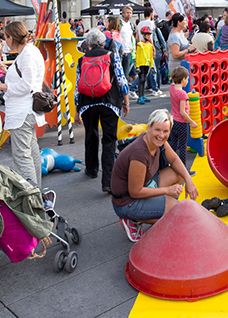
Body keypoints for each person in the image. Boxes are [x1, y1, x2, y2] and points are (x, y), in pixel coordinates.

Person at [110, 109, 198, 242]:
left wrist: (188, 180)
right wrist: (167, 190)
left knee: (179, 174)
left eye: (165, 131)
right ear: (149, 127)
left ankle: (158, 207)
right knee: (175, 211)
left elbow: (174, 160)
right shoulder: (139, 154)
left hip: (146, 184)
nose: (161, 135)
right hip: (126, 202)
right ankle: (132, 218)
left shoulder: (159, 141)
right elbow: (135, 192)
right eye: (157, 130)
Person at [0, 21, 45, 188]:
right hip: (26, 110)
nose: (4, 41)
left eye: (5, 37)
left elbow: (27, 86)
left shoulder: (27, 54)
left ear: (11, 37)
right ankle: (36, 195)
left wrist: (2, 86)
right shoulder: (29, 52)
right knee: (30, 153)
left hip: (22, 111)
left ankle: (32, 197)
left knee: (23, 156)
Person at [73, 28, 129, 193]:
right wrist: (125, 100)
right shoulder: (111, 55)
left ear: (88, 44)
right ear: (103, 42)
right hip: (109, 102)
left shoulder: (82, 59)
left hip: (87, 103)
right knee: (109, 140)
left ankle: (91, 169)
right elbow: (121, 78)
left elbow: (78, 87)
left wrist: (77, 109)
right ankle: (108, 181)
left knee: (91, 135)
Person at [168, 66, 198, 167]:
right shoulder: (183, 94)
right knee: (182, 147)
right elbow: (182, 112)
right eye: (187, 78)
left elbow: (174, 82)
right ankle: (184, 169)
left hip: (173, 121)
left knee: (173, 144)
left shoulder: (172, 88)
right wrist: (191, 122)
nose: (188, 80)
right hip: (181, 123)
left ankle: (170, 164)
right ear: (183, 80)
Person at [135, 26, 155, 105]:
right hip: (141, 65)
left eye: (149, 35)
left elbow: (151, 56)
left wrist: (152, 66)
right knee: (141, 80)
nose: (149, 36)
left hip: (147, 65)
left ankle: (143, 95)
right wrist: (137, 66)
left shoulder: (150, 45)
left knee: (144, 80)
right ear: (143, 35)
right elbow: (137, 56)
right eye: (147, 34)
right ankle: (139, 96)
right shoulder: (139, 44)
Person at [120, 6, 136, 99]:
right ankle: (119, 95)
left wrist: (131, 48)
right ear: (123, 13)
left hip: (128, 52)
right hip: (121, 52)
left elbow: (131, 38)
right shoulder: (120, 23)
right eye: (127, 12)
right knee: (120, 75)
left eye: (130, 13)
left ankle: (123, 96)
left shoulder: (130, 24)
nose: (129, 14)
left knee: (126, 75)